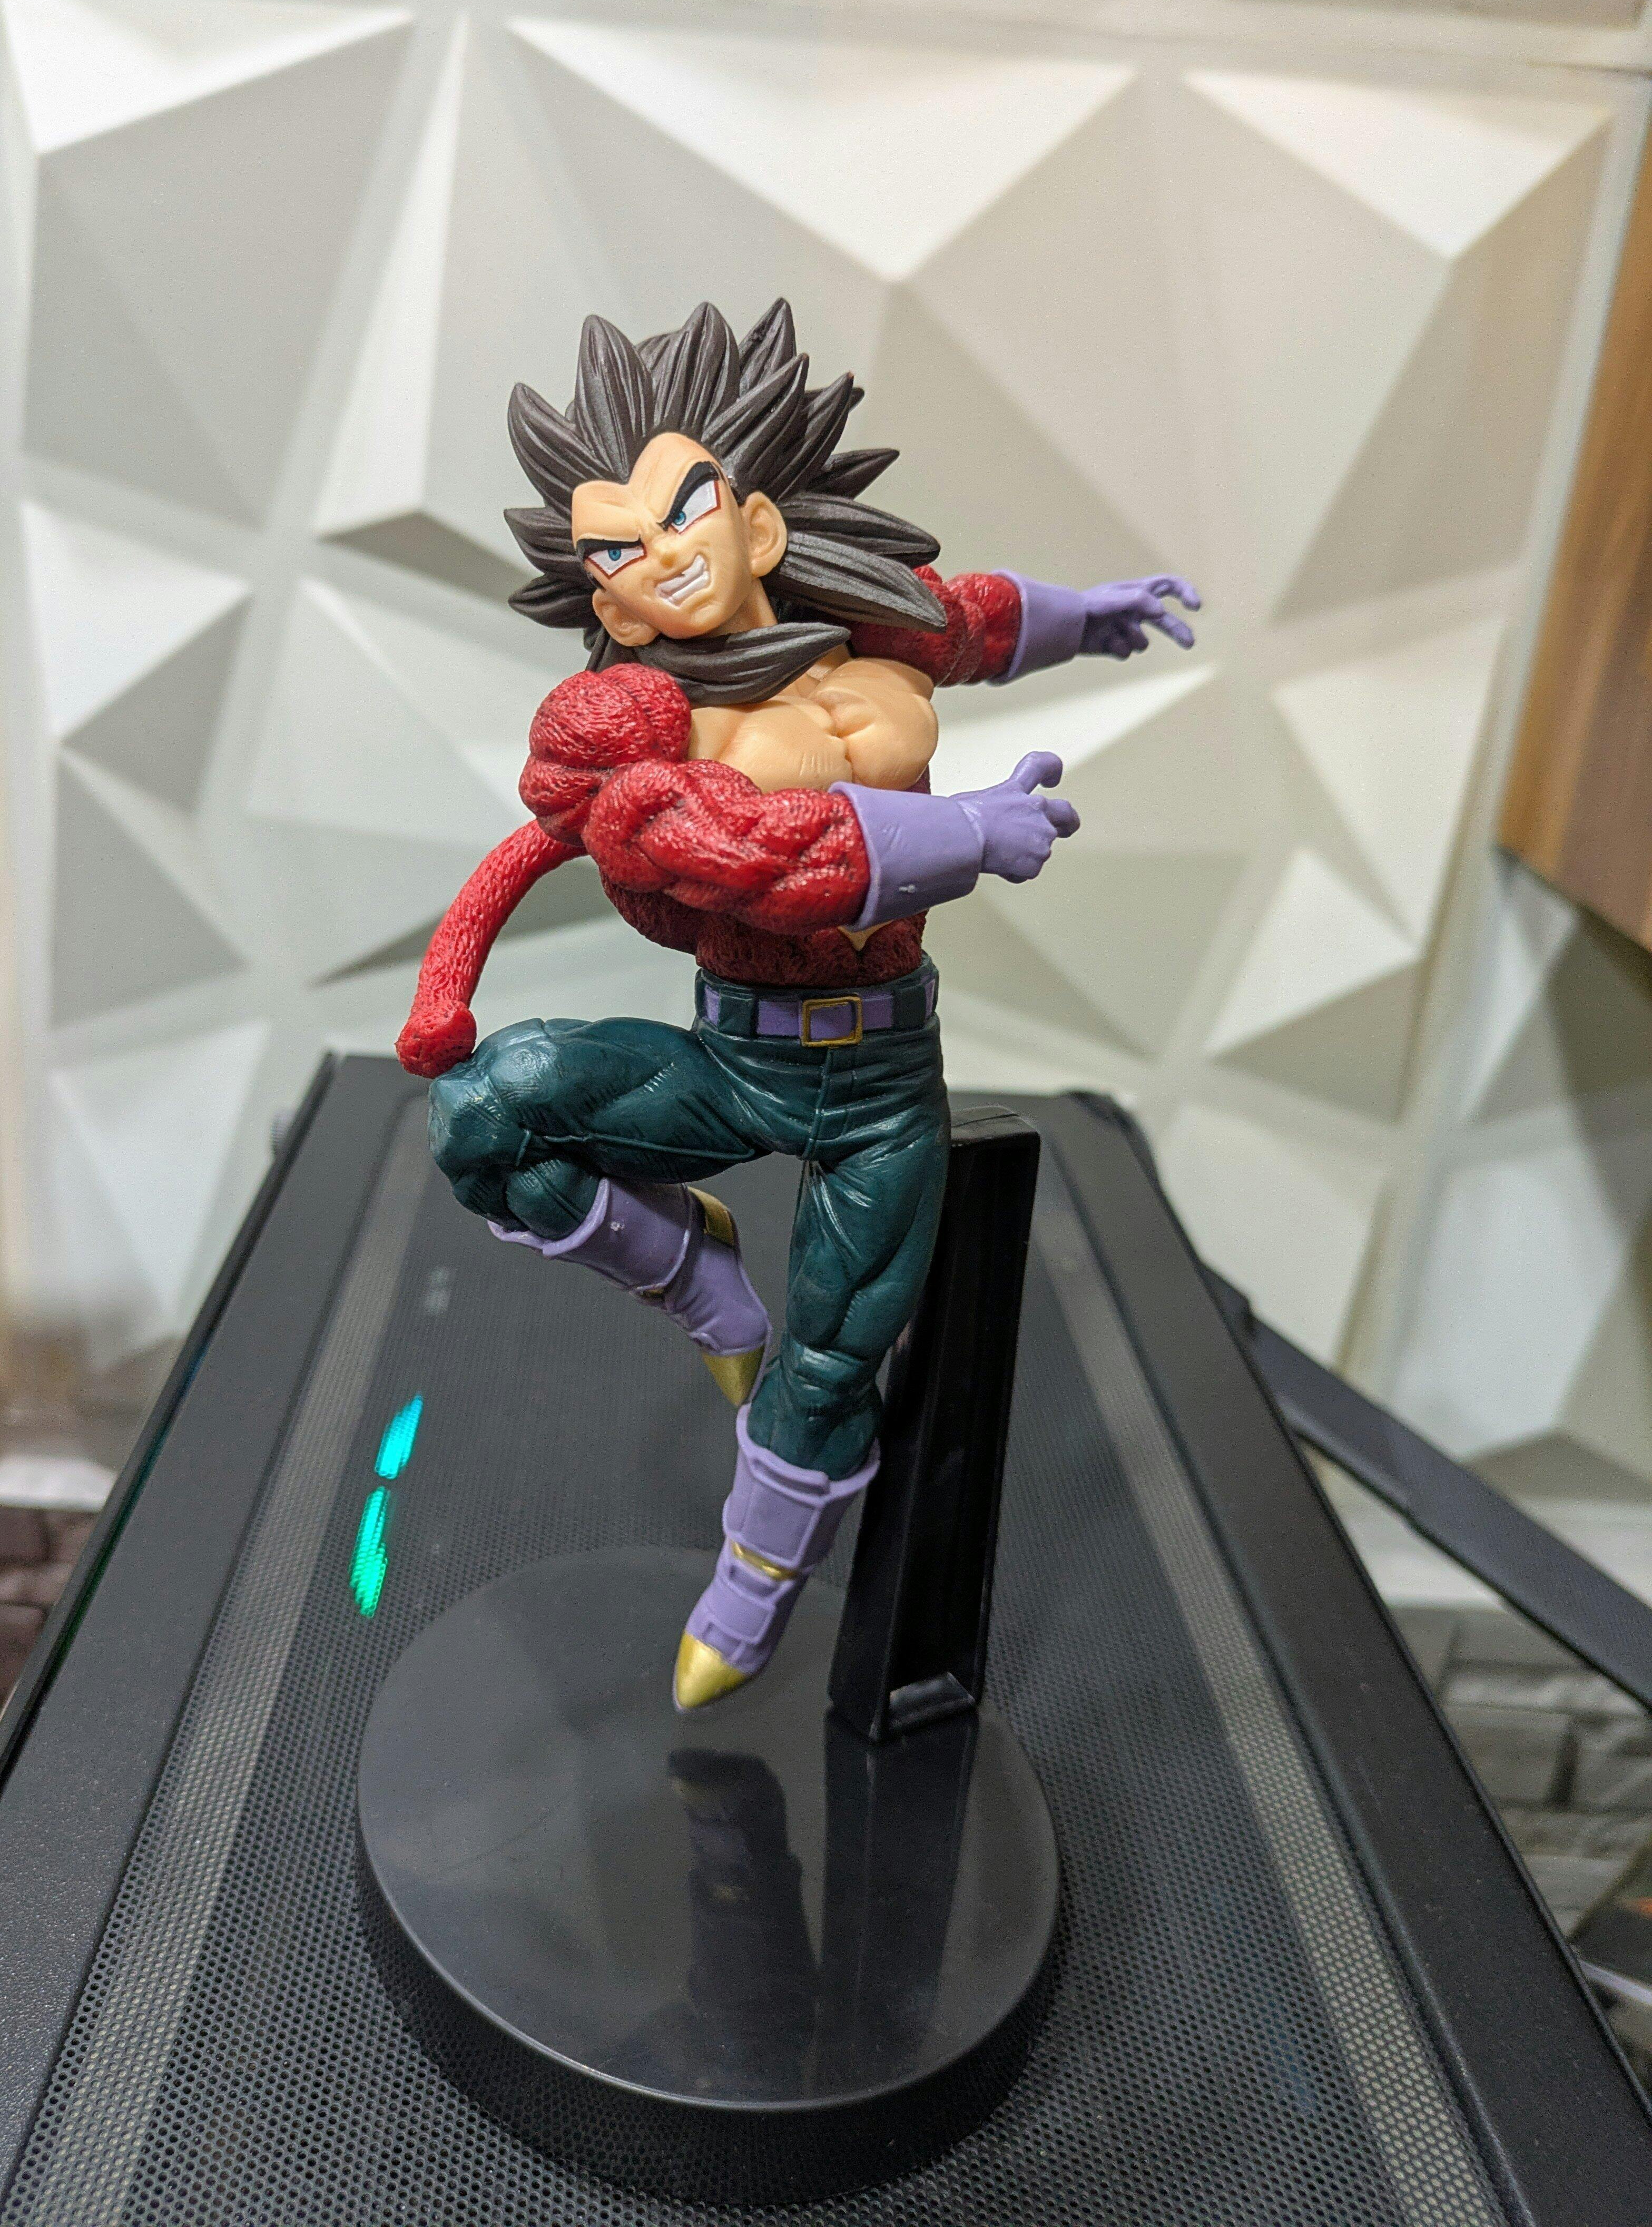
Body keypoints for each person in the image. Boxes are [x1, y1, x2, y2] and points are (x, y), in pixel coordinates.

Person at [399, 300, 1198, 1710]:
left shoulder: (870, 628)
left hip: (883, 1084)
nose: (660, 554)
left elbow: (975, 619)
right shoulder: (632, 741)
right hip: (730, 1059)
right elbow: (763, 862)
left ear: (756, 521)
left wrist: (1094, 616)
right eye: (616, 551)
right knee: (483, 1118)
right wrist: (962, 835)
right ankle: (696, 1278)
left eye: (682, 510)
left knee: (832, 1365)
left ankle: (751, 1589)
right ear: (607, 605)